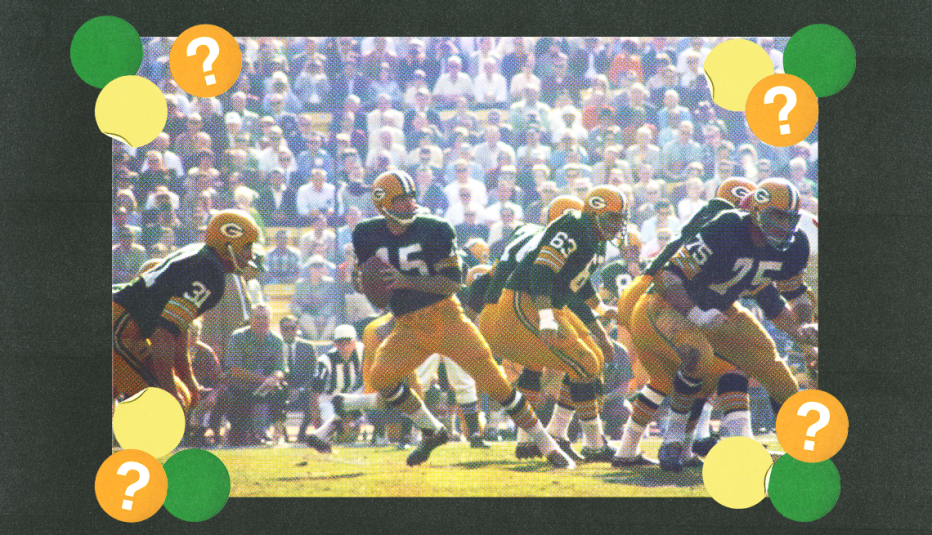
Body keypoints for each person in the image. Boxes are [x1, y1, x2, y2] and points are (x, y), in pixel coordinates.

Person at [336, 170, 575, 468]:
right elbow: (364, 284)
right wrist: (359, 281)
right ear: (383, 204)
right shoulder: (365, 233)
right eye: (401, 200)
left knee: (496, 384)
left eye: (412, 197)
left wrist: (402, 280)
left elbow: (452, 284)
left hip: (446, 317)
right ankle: (432, 430)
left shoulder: (435, 228)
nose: (410, 204)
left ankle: (548, 444)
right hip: (408, 325)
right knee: (381, 377)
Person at [625, 179, 817, 471]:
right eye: (777, 215)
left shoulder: (794, 245)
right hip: (672, 303)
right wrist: (696, 314)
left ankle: (805, 445)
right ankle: (673, 437)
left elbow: (795, 293)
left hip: (722, 307)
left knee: (771, 362)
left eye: (790, 217)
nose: (785, 225)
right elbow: (667, 277)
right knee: (697, 356)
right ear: (757, 211)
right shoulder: (726, 226)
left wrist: (804, 328)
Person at [611, 177, 754, 466]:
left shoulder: (712, 217)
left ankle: (631, 450)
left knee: (665, 379)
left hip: (643, 293)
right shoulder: (725, 221)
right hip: (655, 295)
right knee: (717, 368)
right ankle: (694, 443)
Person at [478, 187, 626, 462]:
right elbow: (543, 274)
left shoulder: (589, 237)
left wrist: (600, 311)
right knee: (585, 363)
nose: (618, 225)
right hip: (522, 302)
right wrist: (548, 317)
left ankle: (541, 438)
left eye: (620, 218)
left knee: (574, 362)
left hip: (520, 302)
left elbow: (572, 285)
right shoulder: (572, 228)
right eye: (612, 218)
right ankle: (588, 442)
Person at [112, 209, 262, 413]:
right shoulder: (210, 271)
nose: (251, 255)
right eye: (247, 246)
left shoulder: (200, 254)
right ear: (228, 243)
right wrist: (168, 392)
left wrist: (187, 376)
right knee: (166, 407)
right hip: (120, 327)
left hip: (126, 327)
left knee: (183, 396)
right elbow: (163, 335)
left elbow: (177, 327)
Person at [223, 303, 287, 446]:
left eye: (265, 318)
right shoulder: (238, 337)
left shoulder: (277, 340)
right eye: (257, 318)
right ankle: (240, 431)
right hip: (240, 388)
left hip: (265, 388)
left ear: (270, 320)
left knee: (282, 388)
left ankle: (278, 432)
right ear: (250, 319)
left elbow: (281, 368)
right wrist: (264, 379)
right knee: (238, 439)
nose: (261, 321)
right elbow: (235, 370)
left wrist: (275, 377)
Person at [276, 314, 318, 442]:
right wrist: (287, 390)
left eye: (292, 328)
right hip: (281, 390)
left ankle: (302, 433)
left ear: (298, 328)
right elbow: (272, 371)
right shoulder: (275, 346)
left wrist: (299, 390)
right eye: (285, 328)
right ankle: (283, 434)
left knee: (314, 396)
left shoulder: (308, 347)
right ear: (280, 330)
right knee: (274, 396)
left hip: (303, 390)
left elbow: (313, 374)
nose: (289, 331)